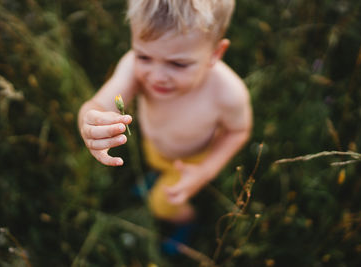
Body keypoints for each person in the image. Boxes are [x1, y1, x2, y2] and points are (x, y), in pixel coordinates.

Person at [78, 0, 252, 246]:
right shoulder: (132, 67)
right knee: (153, 161)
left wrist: (204, 172)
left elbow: (238, 131)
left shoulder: (228, 93)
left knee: (162, 205)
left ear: (215, 53)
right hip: (156, 147)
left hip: (191, 162)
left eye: (178, 63)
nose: (156, 76)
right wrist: (90, 120)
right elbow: (97, 104)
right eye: (144, 56)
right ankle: (156, 173)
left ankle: (186, 222)